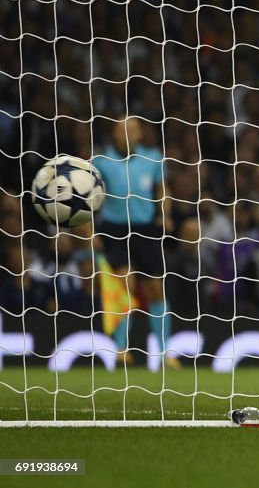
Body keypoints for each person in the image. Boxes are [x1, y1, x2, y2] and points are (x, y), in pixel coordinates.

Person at [92, 115, 178, 368]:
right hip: (115, 229)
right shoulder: (101, 161)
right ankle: (121, 349)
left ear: (140, 134)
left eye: (132, 130)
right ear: (114, 134)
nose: (127, 134)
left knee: (156, 289)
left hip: (145, 228)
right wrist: (91, 231)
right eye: (122, 130)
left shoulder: (153, 158)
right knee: (124, 284)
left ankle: (165, 352)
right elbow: (89, 196)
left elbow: (162, 189)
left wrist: (165, 213)